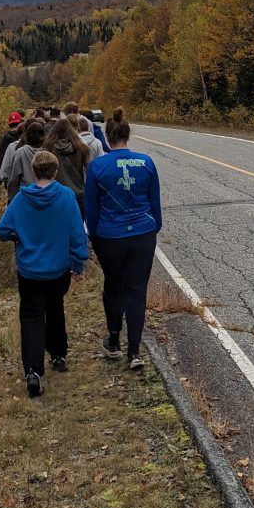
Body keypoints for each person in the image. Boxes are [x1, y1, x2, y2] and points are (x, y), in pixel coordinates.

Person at [0, 149, 88, 398]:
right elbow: (76, 233)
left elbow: (2, 229)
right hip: (58, 269)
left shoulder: (21, 199)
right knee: (55, 307)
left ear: (33, 171)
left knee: (31, 316)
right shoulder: (66, 197)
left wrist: (18, 236)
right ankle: (58, 354)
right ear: (55, 171)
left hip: (29, 271)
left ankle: (33, 371)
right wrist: (78, 264)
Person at [83, 107, 162, 371]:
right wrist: (153, 228)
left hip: (110, 236)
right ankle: (135, 351)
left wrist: (94, 236)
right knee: (137, 291)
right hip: (142, 234)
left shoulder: (97, 167)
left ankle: (115, 339)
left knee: (114, 286)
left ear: (107, 137)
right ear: (128, 135)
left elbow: (91, 210)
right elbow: (155, 204)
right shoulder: (146, 163)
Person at [44, 114, 91, 213]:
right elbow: (90, 171)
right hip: (78, 194)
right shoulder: (81, 149)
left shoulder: (49, 149)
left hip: (55, 194)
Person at [0, 119, 46, 199]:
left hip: (25, 196)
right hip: (44, 195)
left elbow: (13, 179)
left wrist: (12, 198)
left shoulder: (20, 152)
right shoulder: (47, 153)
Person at [0, 111, 24, 184]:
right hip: (22, 176)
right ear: (20, 123)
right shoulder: (24, 138)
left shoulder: (4, 139)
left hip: (9, 178)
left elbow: (0, 159)